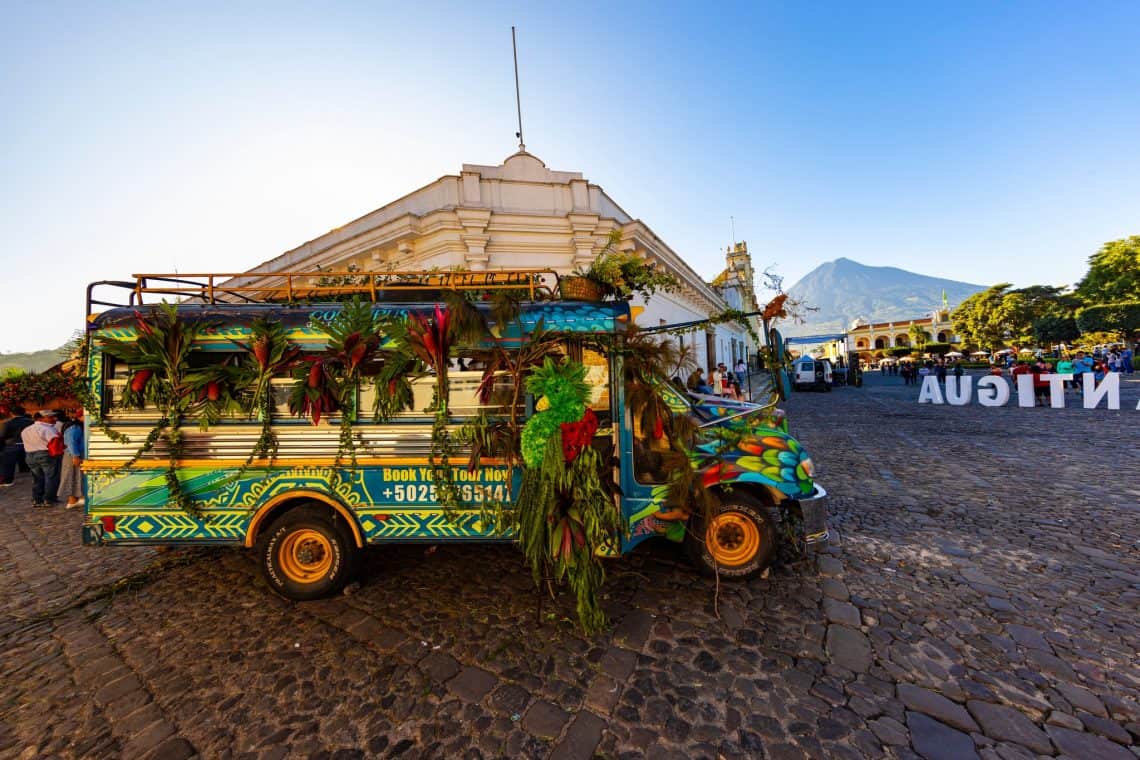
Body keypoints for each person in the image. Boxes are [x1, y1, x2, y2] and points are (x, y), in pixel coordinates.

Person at [22, 409, 62, 507]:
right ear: (40, 418)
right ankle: (49, 499)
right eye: (50, 417)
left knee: (37, 478)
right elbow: (54, 442)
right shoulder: (48, 429)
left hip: (30, 454)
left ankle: (37, 499)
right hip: (45, 454)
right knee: (51, 477)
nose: (54, 418)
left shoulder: (26, 429)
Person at [1, 405, 34, 487]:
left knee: (9, 464)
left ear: (11, 413)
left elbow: (2, 435)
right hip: (28, 444)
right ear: (24, 412)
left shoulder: (7, 423)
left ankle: (8, 481)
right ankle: (28, 473)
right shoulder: (30, 421)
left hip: (12, 444)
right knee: (29, 462)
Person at [58, 408, 85, 508]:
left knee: (76, 475)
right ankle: (74, 499)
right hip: (73, 455)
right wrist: (76, 455)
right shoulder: (74, 427)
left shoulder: (78, 426)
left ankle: (73, 500)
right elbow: (71, 442)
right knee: (73, 475)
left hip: (75, 454)